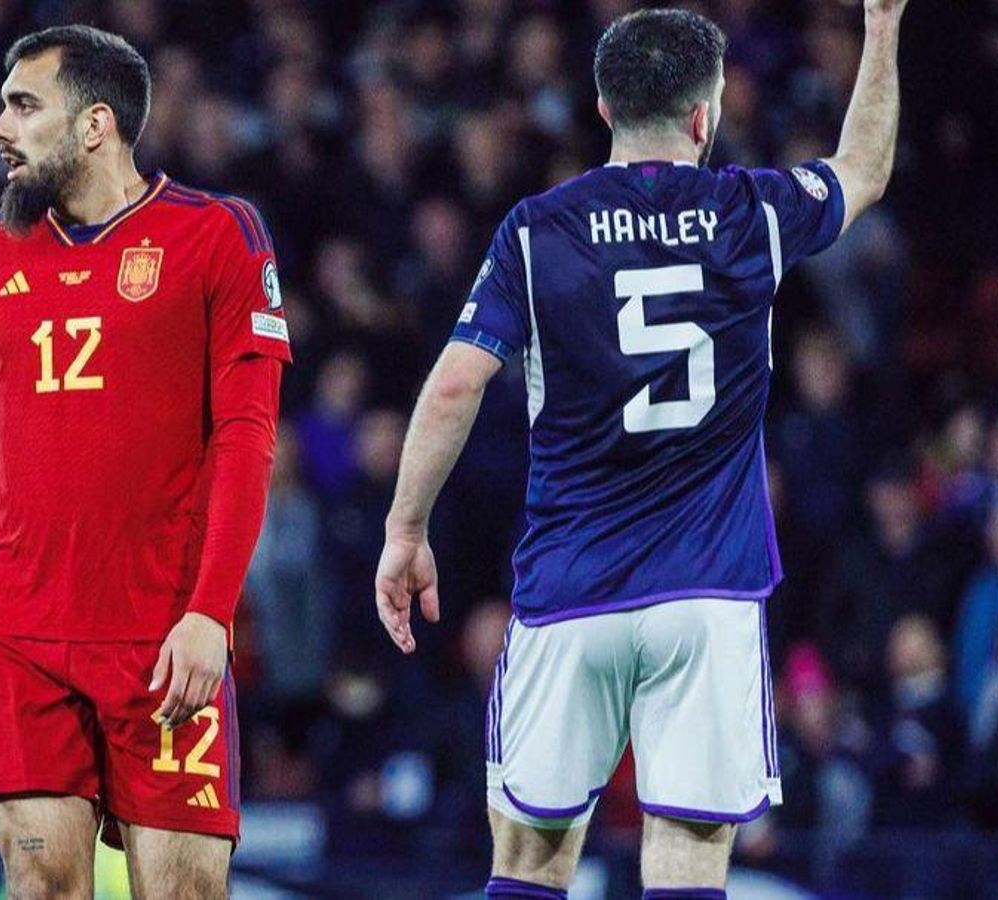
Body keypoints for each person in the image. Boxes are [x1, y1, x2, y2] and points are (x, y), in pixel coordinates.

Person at [373, 3, 910, 897]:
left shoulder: (537, 232)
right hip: (709, 592)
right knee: (690, 860)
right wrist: (884, 27)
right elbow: (865, 168)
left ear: (601, 108)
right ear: (706, 115)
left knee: (531, 862)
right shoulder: (753, 212)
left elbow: (458, 384)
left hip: (569, 589)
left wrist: (405, 528)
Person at [0, 25, 289, 899]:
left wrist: (210, 613)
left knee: (186, 892)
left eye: (22, 106)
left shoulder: (218, 234)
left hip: (161, 637)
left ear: (95, 125)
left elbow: (246, 437)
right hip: (22, 642)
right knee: (41, 884)